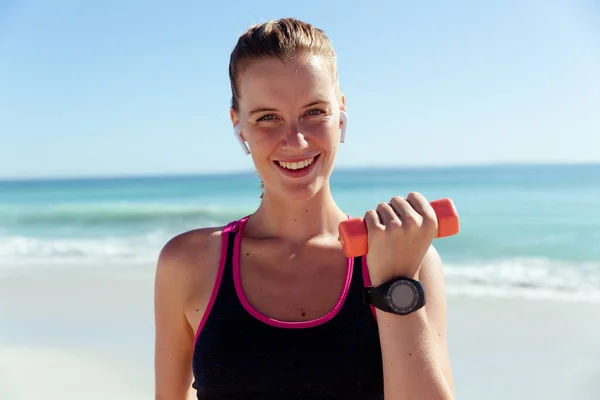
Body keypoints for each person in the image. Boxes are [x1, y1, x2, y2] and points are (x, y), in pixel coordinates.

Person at [154, 17, 455, 400]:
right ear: (238, 125)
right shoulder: (188, 264)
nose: (295, 141)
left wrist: (394, 285)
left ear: (340, 112)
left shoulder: (408, 258)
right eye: (267, 118)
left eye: (314, 111)